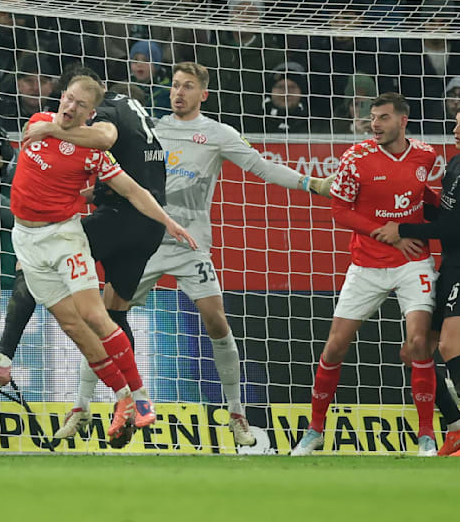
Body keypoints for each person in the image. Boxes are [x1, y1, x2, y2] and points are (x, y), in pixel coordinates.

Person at [58, 62, 334, 448]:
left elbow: (263, 167)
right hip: (147, 237)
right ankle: (82, 406)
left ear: (202, 94)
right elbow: (124, 173)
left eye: (187, 86)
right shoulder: (152, 129)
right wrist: (95, 194)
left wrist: (312, 182)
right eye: (174, 86)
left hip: (190, 245)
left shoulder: (217, 134)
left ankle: (237, 413)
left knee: (215, 319)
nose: (178, 92)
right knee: (104, 318)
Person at [0, 74, 197, 440]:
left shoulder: (95, 153)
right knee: (73, 328)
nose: (69, 107)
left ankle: (141, 398)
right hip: (25, 239)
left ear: (91, 113)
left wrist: (168, 221)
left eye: (80, 105)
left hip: (64, 238)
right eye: (67, 98)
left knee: (94, 315)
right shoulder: (36, 123)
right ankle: (119, 396)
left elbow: (133, 189)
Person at [291, 92, 442, 456]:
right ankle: (314, 430)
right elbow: (340, 211)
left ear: (403, 120)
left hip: (413, 262)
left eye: (384, 117)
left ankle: (426, 435)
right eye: (373, 117)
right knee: (335, 345)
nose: (375, 124)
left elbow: (431, 202)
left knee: (419, 343)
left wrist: (414, 231)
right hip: (367, 265)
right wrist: (387, 232)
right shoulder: (356, 157)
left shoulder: (427, 155)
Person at [392, 99, 460, 457]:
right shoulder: (454, 165)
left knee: (452, 347)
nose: (456, 130)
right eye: (456, 123)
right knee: (415, 350)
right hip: (450, 265)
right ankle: (456, 428)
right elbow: (442, 211)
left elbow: (452, 228)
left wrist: (401, 227)